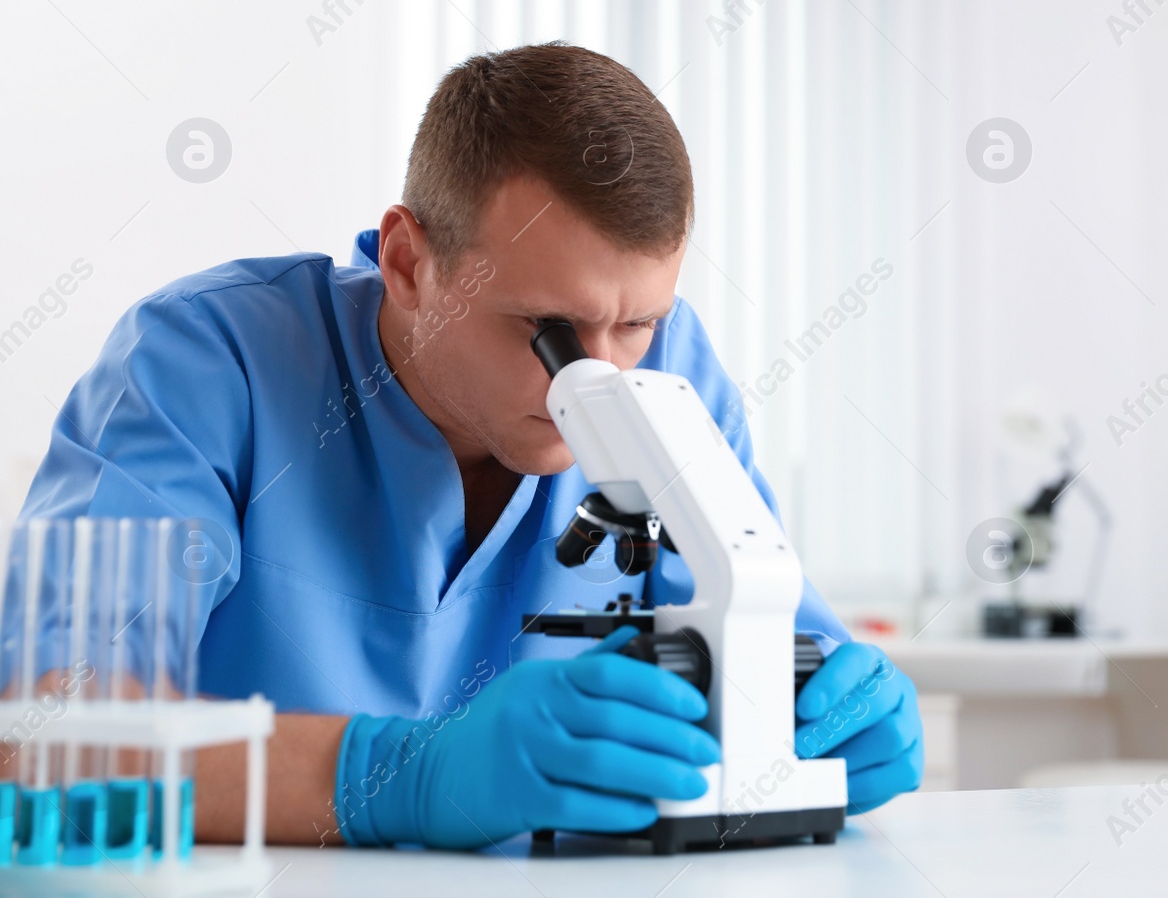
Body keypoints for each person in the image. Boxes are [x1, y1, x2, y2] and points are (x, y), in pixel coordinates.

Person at [16, 44, 922, 849]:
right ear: (410, 262)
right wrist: (399, 777)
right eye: (549, 329)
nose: (599, 383)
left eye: (639, 321)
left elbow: (774, 658)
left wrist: (828, 725)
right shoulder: (208, 364)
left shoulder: (674, 374)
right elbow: (48, 735)